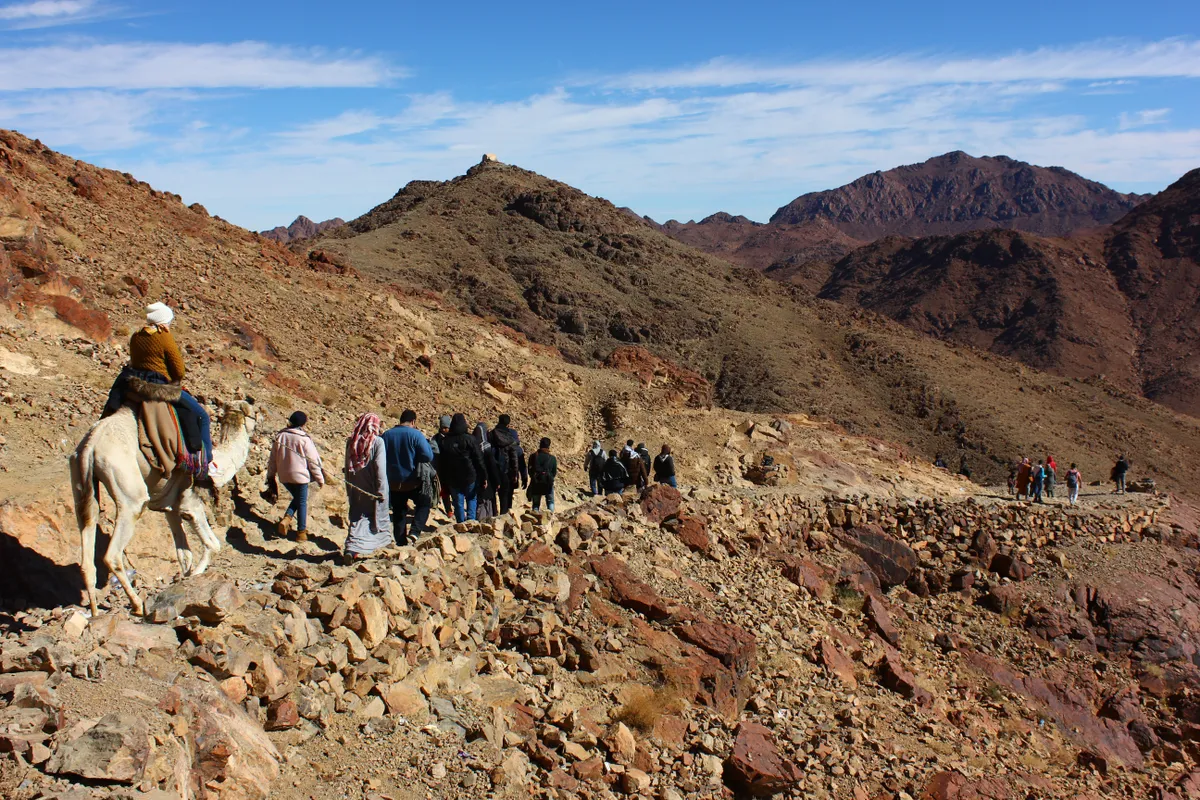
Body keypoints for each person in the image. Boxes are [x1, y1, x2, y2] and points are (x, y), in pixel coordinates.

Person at [103, 302, 217, 473]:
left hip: (134, 385)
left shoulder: (136, 336)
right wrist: (174, 379)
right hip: (158, 387)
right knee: (202, 416)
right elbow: (179, 370)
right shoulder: (164, 337)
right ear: (164, 321)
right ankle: (205, 462)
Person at [266, 411, 324, 543]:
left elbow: (273, 458)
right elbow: (313, 461)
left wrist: (271, 474)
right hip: (300, 476)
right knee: (302, 502)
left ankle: (287, 518)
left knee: (298, 498)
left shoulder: (280, 436)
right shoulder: (304, 439)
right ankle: (301, 533)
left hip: (284, 476)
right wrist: (320, 479)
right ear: (303, 424)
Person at [380, 409, 435, 545]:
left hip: (393, 482)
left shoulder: (386, 435)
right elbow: (428, 456)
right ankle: (414, 532)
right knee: (424, 503)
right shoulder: (416, 435)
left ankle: (400, 541)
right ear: (413, 421)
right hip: (412, 481)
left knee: (398, 511)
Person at [343, 413, 391, 559]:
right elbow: (380, 468)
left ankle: (352, 548)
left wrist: (349, 488)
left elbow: (347, 466)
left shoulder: (351, 441)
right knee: (374, 519)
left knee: (357, 517)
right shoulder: (377, 442)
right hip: (372, 487)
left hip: (356, 486)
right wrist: (382, 491)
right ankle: (370, 548)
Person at [441, 413, 488, 522]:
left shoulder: (445, 441)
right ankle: (471, 522)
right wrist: (484, 476)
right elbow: (479, 459)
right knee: (471, 498)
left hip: (453, 477)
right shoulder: (470, 439)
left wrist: (443, 479)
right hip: (469, 475)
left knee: (458, 502)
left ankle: (460, 524)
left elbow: (442, 462)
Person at [489, 415, 522, 514]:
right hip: (506, 470)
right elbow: (514, 457)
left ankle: (493, 513)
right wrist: (515, 473)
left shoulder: (491, 434)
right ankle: (503, 516)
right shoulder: (510, 437)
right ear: (508, 424)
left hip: (492, 468)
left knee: (492, 494)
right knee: (504, 495)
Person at [474, 422, 501, 520]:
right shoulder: (486, 447)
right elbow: (492, 467)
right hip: (487, 481)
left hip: (475, 479)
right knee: (487, 504)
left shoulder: (472, 445)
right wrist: (497, 481)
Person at [431, 415, 454, 517]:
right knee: (444, 491)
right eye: (443, 427)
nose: (445, 430)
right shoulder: (436, 438)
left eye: (447, 427)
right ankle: (448, 510)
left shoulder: (453, 437)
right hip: (441, 468)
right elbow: (434, 451)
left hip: (452, 468)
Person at [527, 437, 558, 512]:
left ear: (540, 444)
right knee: (550, 501)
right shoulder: (552, 458)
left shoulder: (533, 456)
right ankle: (551, 516)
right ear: (549, 446)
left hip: (536, 483)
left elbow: (530, 470)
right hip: (548, 483)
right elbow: (554, 472)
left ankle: (535, 516)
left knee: (536, 504)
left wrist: (535, 477)